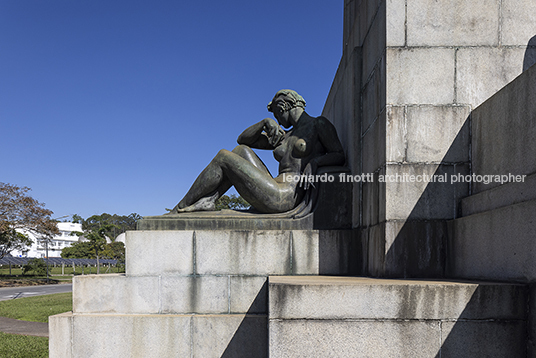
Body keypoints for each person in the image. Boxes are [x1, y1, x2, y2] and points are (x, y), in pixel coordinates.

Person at [168, 89, 345, 214]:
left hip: (286, 195)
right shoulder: (285, 135)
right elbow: (242, 140)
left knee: (223, 156)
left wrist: (315, 162)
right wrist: (264, 122)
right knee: (240, 151)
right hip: (273, 185)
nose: (278, 120)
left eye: (276, 115)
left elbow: (339, 154)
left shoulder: (318, 125)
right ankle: (209, 200)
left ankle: (179, 208)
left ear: (282, 107)